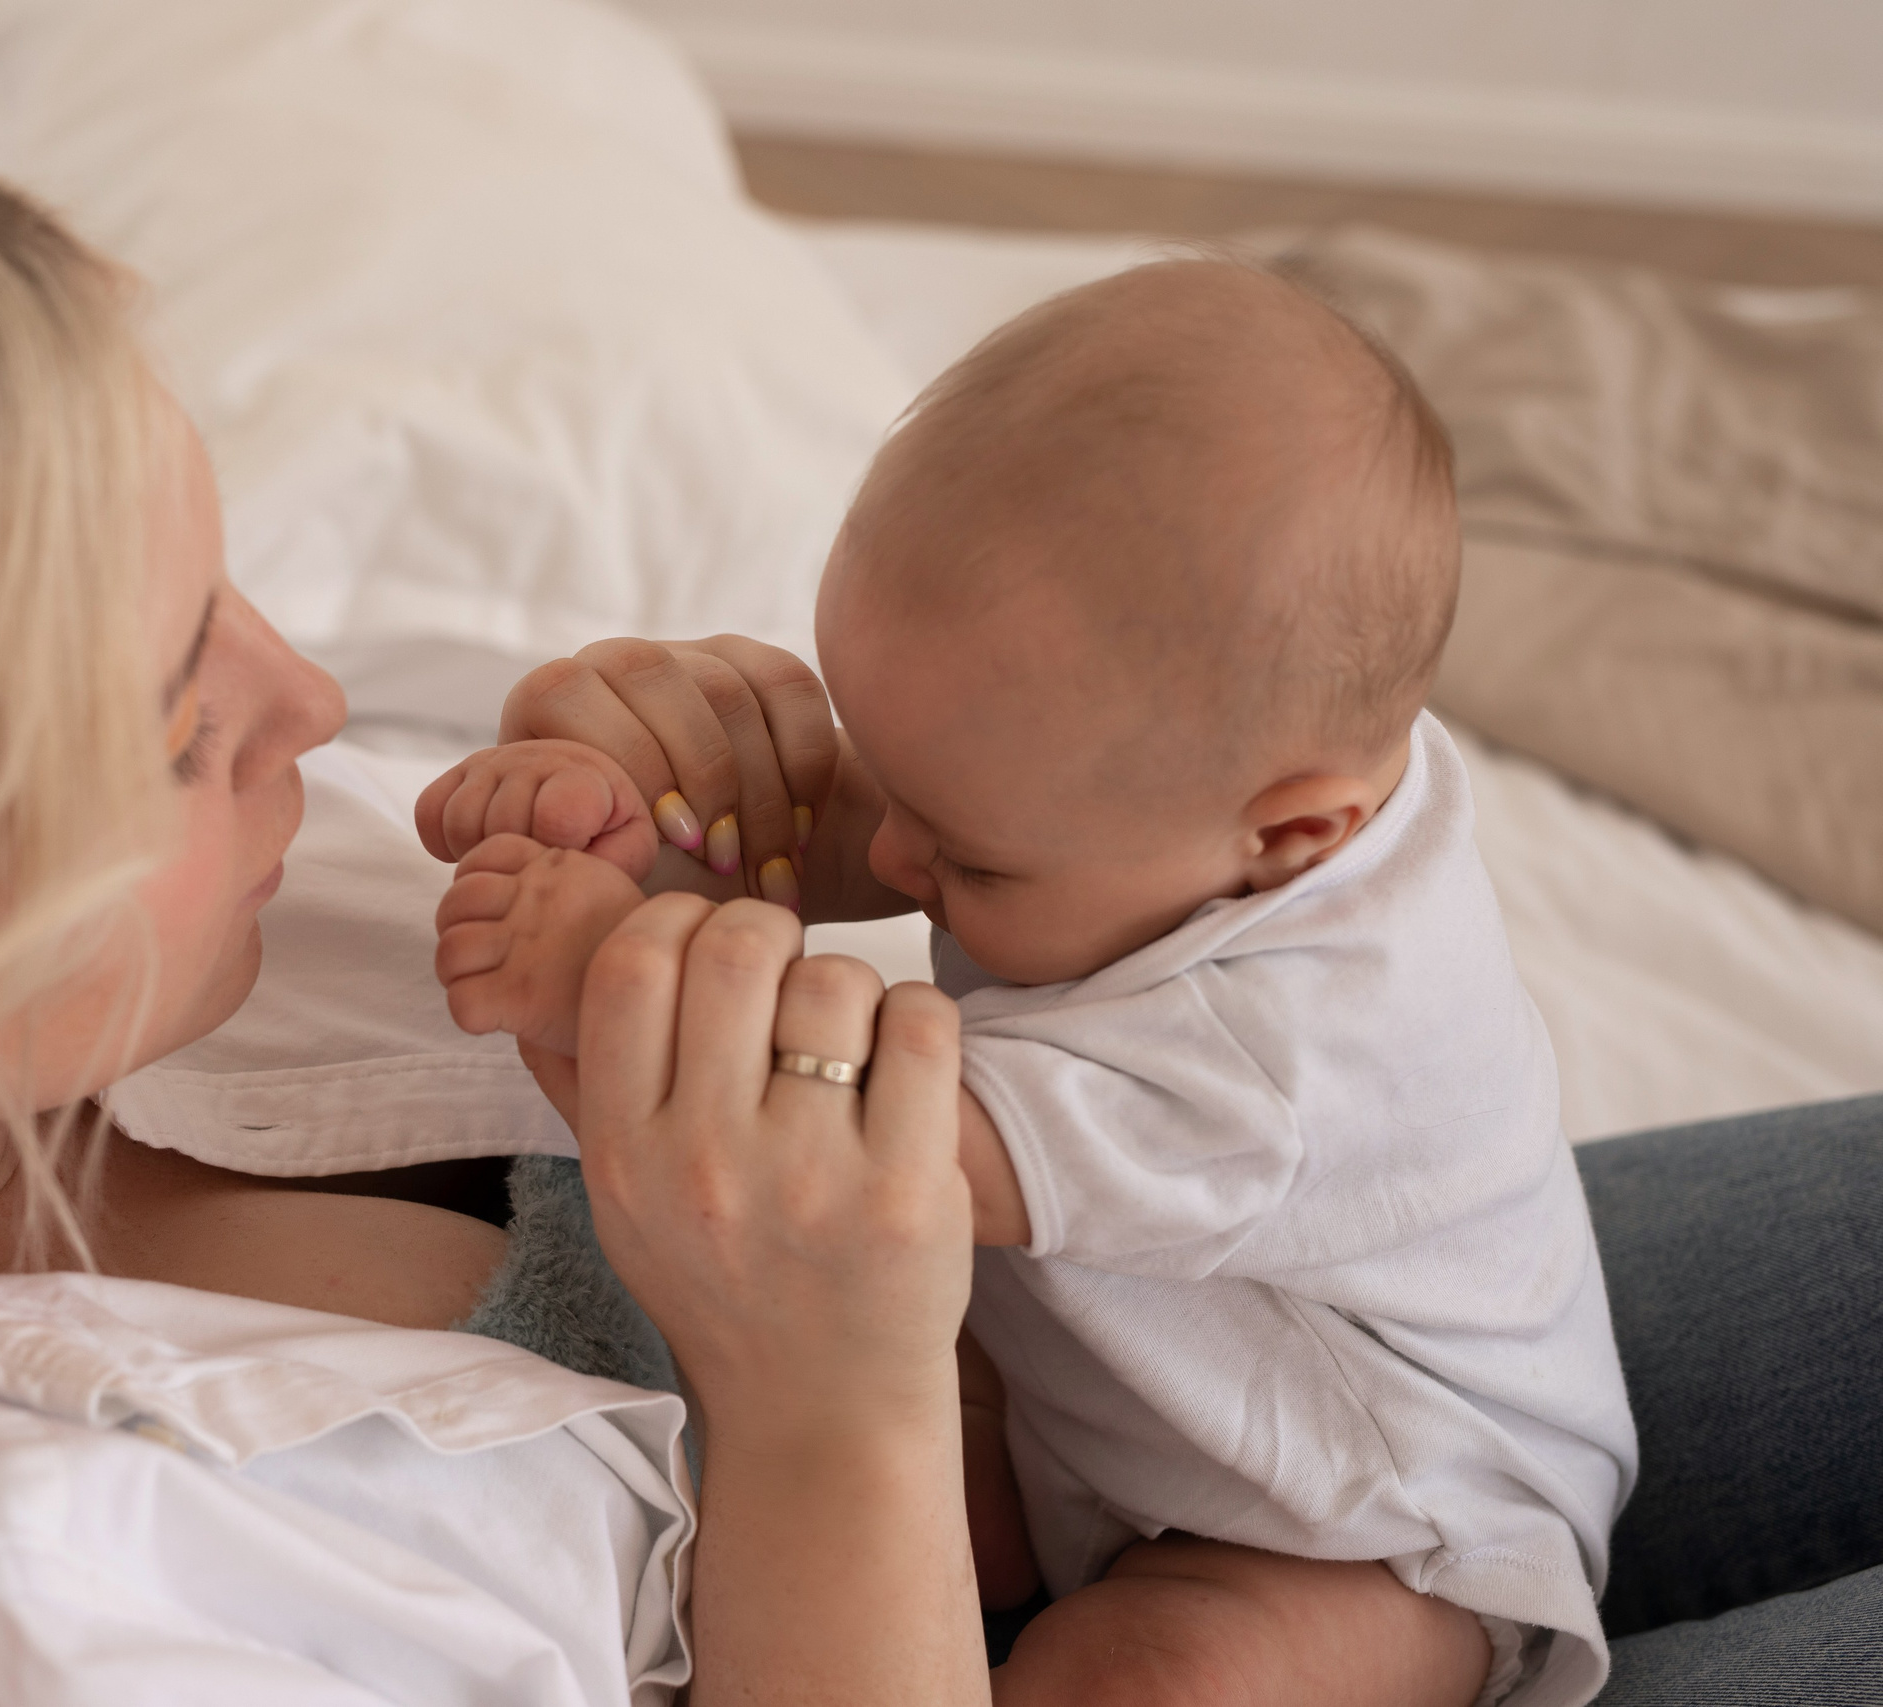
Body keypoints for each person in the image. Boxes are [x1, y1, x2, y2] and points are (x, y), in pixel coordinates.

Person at [0, 85, 1872, 1707]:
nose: (315, 703)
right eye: (187, 706)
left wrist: (660, 807)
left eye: (236, 586)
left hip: (1196, 1379)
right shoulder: (12, 1587)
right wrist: (831, 1409)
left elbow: (618, 898)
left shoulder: (105, 966)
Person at [421, 261, 1635, 1706]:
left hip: (1364, 1527)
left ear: (1293, 834)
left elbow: (870, 1152)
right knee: (914, 1418)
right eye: (896, 776)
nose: (883, 850)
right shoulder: (1208, 784)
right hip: (1125, 1373)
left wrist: (606, 975)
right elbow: (859, 828)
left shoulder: (1288, 1053)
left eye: (971, 864)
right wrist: (656, 830)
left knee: (1148, 1674)